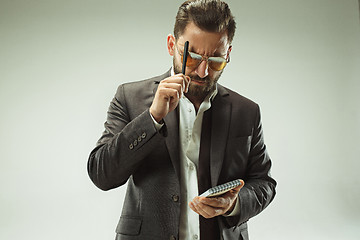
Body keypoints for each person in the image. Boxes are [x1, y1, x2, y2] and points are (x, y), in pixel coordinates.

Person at [87, 0, 276, 239]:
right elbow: (101, 175)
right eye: (193, 56)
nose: (203, 72)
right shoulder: (130, 97)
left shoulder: (246, 111)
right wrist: (152, 118)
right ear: (171, 45)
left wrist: (234, 204)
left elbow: (264, 183)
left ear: (228, 53)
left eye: (216, 60)